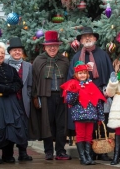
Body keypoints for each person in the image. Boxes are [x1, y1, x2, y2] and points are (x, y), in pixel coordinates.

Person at [67, 26, 114, 161]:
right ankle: (89, 154)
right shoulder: (76, 57)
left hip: (100, 93)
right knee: (85, 127)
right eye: (84, 36)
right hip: (82, 96)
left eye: (90, 36)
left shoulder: (103, 54)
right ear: (81, 40)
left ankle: (102, 151)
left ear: (95, 38)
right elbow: (71, 78)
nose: (87, 38)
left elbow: (110, 73)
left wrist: (107, 89)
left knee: (100, 121)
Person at [31, 30, 71, 160]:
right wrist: (35, 97)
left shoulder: (64, 61)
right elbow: (35, 80)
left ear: (58, 46)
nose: (52, 48)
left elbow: (70, 79)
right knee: (46, 124)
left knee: (61, 124)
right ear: (45, 47)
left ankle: (60, 151)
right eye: (49, 46)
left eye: (55, 45)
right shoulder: (38, 61)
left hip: (62, 96)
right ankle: (48, 151)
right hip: (45, 96)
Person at [61, 61, 106, 165]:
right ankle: (82, 157)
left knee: (88, 136)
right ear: (76, 74)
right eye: (80, 73)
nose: (82, 75)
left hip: (91, 115)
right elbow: (69, 101)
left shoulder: (92, 85)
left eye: (84, 73)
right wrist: (75, 92)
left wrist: (101, 116)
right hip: (79, 115)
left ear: (87, 74)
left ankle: (88, 156)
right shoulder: (72, 85)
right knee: (81, 135)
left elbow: (98, 102)